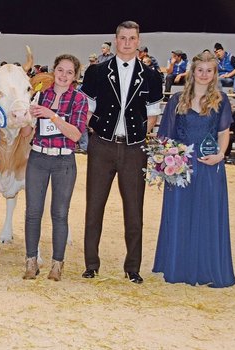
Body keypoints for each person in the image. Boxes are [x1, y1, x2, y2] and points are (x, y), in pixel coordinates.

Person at [80, 21, 163, 284]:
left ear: (138, 42)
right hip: (102, 145)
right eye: (123, 38)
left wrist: (136, 133)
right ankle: (91, 264)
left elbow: (152, 115)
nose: (127, 43)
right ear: (116, 40)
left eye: (132, 38)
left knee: (134, 209)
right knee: (94, 207)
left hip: (134, 149)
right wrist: (94, 130)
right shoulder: (96, 72)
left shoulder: (151, 76)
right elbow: (87, 109)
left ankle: (133, 267)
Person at [153, 51, 235, 288]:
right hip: (180, 167)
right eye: (200, 70)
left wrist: (220, 155)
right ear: (192, 72)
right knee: (180, 214)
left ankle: (205, 266)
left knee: (207, 215)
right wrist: (169, 160)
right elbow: (165, 136)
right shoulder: (177, 100)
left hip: (210, 167)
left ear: (215, 73)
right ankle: (177, 265)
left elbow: (223, 133)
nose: (204, 74)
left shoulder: (221, 100)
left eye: (209, 70)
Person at [22, 54, 88, 281]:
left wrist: (52, 115)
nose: (63, 75)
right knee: (33, 212)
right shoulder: (40, 95)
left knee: (59, 213)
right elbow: (26, 134)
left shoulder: (79, 99)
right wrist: (26, 118)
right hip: (38, 158)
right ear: (53, 71)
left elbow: (76, 134)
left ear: (75, 76)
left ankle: (57, 264)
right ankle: (31, 261)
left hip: (64, 161)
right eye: (60, 70)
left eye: (69, 72)